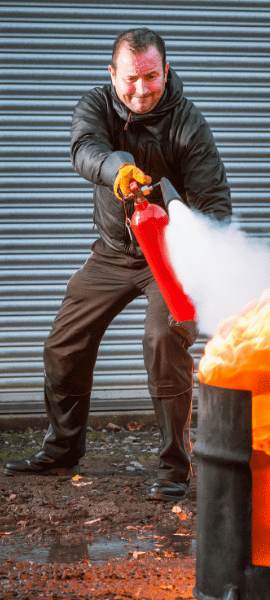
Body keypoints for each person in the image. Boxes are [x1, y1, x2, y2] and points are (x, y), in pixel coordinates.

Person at [2, 28, 231, 501]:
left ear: (165, 72)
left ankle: (173, 469)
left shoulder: (190, 125)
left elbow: (215, 208)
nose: (141, 89)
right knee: (64, 345)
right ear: (112, 74)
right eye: (131, 79)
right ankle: (62, 450)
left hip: (168, 259)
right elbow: (84, 149)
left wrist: (179, 221)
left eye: (151, 77)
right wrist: (116, 169)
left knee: (164, 340)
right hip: (112, 253)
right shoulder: (96, 106)